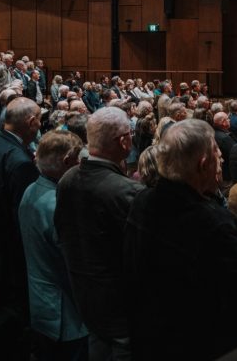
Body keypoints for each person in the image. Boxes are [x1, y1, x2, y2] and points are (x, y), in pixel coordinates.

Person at [123, 119, 237, 360]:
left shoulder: (142, 201)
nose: (222, 159)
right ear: (203, 165)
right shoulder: (215, 223)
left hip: (149, 339)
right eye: (217, 153)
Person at [54, 107, 144, 360]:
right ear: (123, 140)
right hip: (122, 305)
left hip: (84, 296)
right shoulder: (128, 192)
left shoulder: (67, 178)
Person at [19, 131, 88, 361]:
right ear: (68, 161)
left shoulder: (31, 189)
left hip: (41, 304)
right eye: (79, 160)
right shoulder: (58, 205)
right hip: (66, 315)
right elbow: (77, 263)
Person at [0, 97, 41, 332]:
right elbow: (23, 218)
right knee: (15, 321)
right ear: (32, 122)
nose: (40, 126)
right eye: (40, 121)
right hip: (9, 254)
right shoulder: (20, 161)